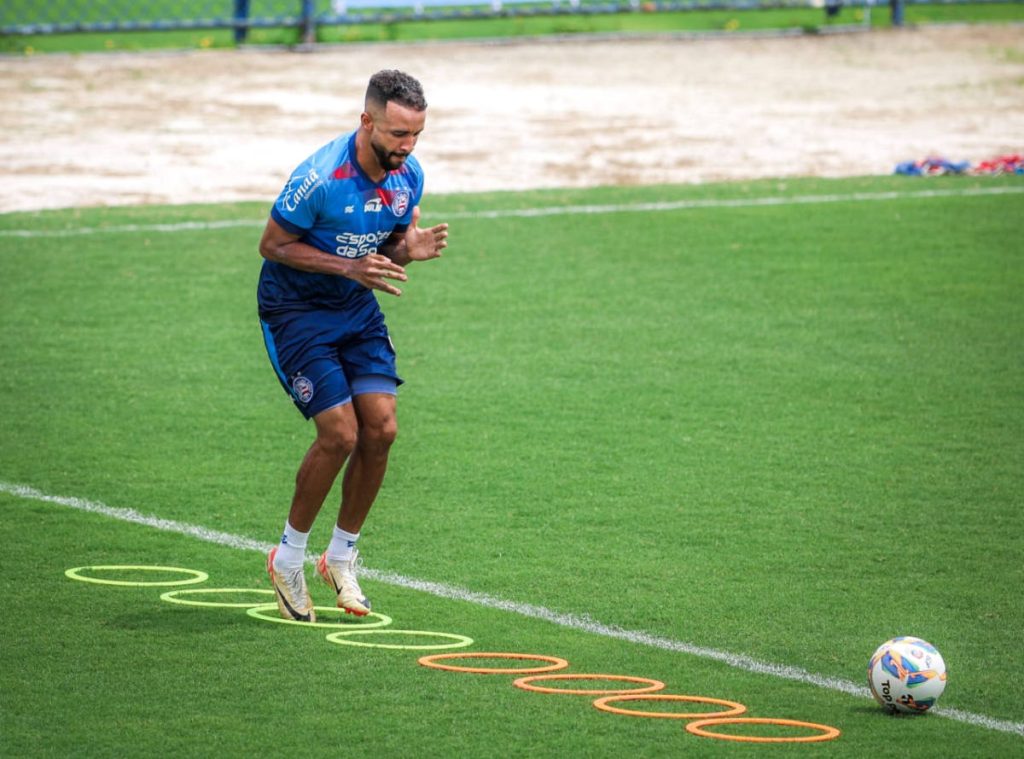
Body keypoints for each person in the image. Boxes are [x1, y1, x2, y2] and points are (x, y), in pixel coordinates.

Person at [257, 70, 448, 622]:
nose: (406, 147)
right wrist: (348, 266)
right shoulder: (319, 177)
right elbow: (272, 245)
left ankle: (340, 557)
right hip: (296, 311)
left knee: (382, 428)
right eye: (396, 134)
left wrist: (408, 249)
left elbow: (386, 250)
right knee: (339, 433)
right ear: (367, 121)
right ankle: (288, 558)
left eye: (416, 135)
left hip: (354, 305)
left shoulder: (407, 177)